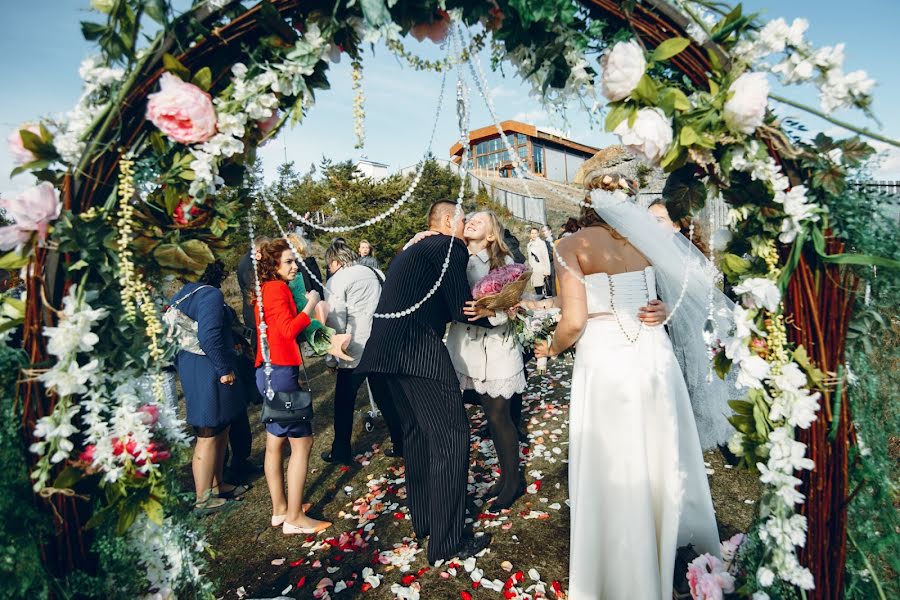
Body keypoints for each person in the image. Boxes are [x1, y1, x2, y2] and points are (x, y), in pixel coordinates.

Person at [533, 174, 722, 599]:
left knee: (615, 456)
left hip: (605, 357)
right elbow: (689, 289)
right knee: (660, 448)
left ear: (587, 199)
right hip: (653, 351)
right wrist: (665, 308)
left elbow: (575, 322)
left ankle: (625, 563)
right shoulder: (649, 239)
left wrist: (551, 348)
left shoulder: (571, 244)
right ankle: (671, 543)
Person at [356, 200, 495, 565]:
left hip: (381, 353)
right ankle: (447, 542)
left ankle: (425, 522)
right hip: (416, 350)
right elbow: (459, 307)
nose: (466, 226)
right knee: (452, 436)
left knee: (417, 434)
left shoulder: (416, 247)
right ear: (448, 221)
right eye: (463, 219)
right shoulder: (448, 246)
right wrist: (500, 313)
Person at [445, 211, 526, 510]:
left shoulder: (503, 264)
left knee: (498, 416)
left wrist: (491, 313)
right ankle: (506, 478)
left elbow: (514, 308)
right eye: (470, 218)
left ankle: (512, 482)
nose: (472, 221)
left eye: (481, 219)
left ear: (492, 235)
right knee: (488, 416)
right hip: (466, 347)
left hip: (496, 348)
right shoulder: (453, 257)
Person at [254, 239, 331, 535]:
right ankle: (295, 517)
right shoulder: (276, 289)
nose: (294, 266)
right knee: (302, 443)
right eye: (288, 261)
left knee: (275, 443)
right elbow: (287, 331)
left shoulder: (263, 290)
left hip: (270, 370)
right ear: (273, 265)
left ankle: (280, 509)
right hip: (280, 371)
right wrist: (310, 304)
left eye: (293, 260)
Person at [169, 260, 248, 513]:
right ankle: (203, 498)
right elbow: (209, 335)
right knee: (207, 433)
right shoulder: (210, 294)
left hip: (192, 364)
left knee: (220, 426)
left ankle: (217, 484)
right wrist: (224, 369)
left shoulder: (181, 295)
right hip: (208, 367)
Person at [320, 241, 403, 463]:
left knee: (344, 402)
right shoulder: (375, 272)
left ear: (335, 261)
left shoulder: (337, 280)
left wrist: (331, 358)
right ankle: (401, 441)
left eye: (329, 264)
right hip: (381, 341)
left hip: (354, 348)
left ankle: (341, 450)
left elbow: (336, 320)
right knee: (386, 396)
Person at [237, 237, 270, 351]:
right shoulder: (249, 266)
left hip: (254, 310)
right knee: (260, 346)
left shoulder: (248, 261)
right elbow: (254, 288)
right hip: (254, 311)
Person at [526, 227, 551, 297]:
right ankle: (541, 304)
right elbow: (529, 258)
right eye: (532, 233)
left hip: (540, 269)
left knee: (541, 290)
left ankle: (543, 304)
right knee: (537, 290)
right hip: (533, 269)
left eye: (535, 233)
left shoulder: (541, 243)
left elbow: (545, 257)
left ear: (538, 234)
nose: (534, 235)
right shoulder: (529, 244)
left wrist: (547, 271)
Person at [541, 225, 556, 297]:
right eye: (542, 231)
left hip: (553, 265)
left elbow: (552, 253)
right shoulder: (546, 241)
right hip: (549, 265)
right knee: (550, 284)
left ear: (550, 230)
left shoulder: (552, 240)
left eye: (545, 231)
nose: (543, 233)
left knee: (553, 284)